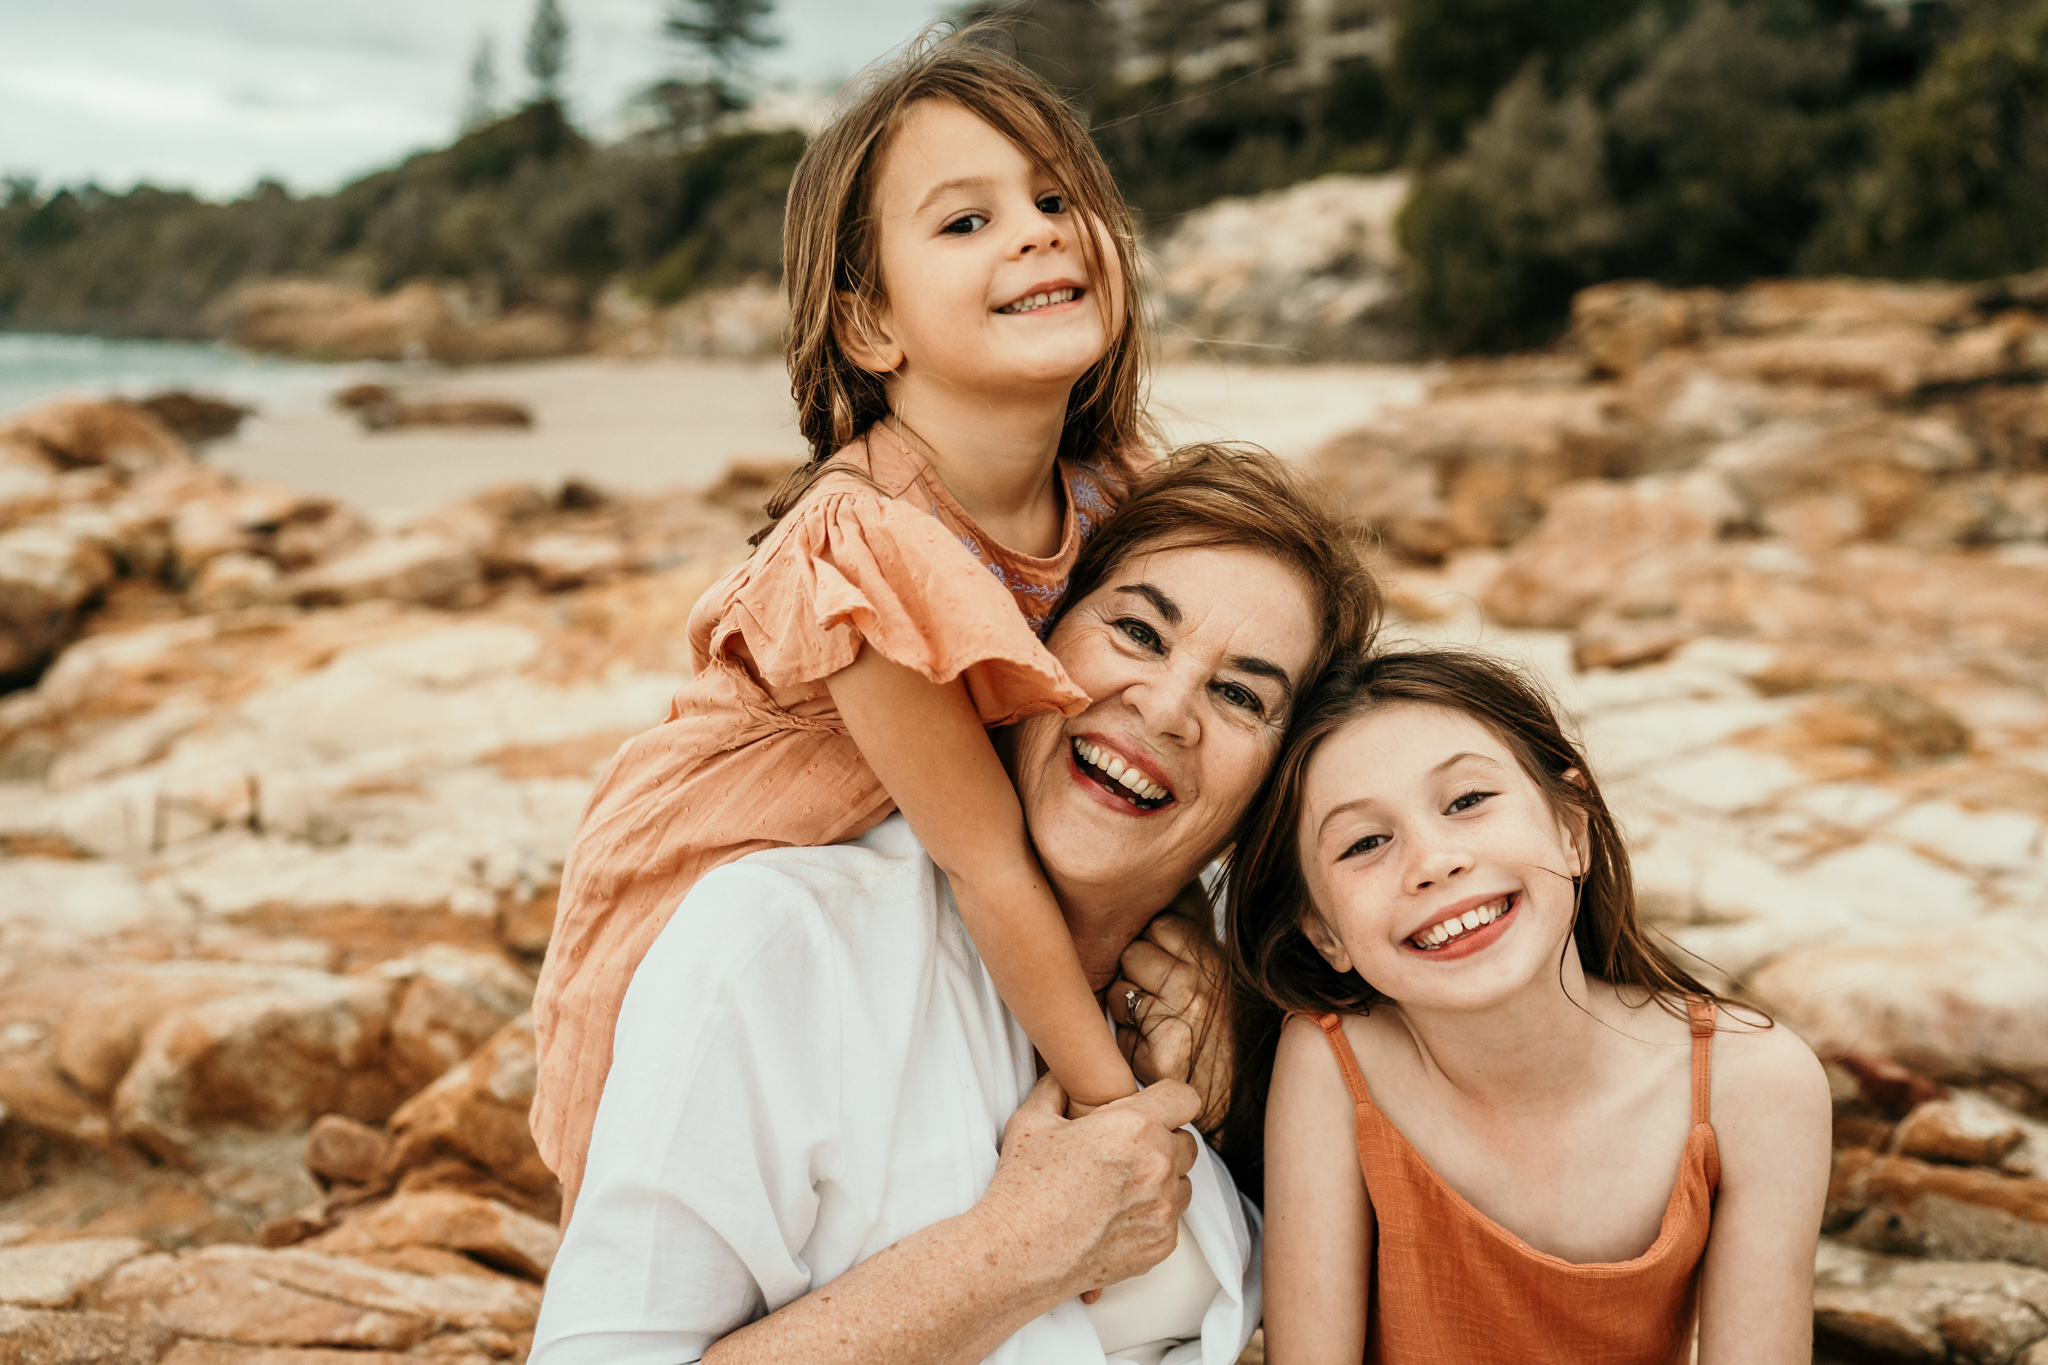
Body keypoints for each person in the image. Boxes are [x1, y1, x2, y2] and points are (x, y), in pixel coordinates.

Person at [530, 445, 1381, 1365]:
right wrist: (1010, 1253)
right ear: (1030, 647)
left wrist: (1243, 1099)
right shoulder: (781, 945)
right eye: (1137, 632)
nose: (1169, 707)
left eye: (1239, 692)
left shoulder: (1235, 999)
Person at [531, 30, 1163, 1204]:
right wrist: (1119, 1123)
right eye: (963, 222)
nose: (1035, 231)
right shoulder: (862, 543)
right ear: (871, 326)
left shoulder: (1111, 491)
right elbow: (987, 869)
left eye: (1053, 195)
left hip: (906, 877)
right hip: (726, 878)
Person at [1225, 650, 1832, 1365]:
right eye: (1365, 842)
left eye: (1467, 800)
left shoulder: (1754, 1083)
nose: (1433, 860)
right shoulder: (1334, 1061)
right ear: (1325, 933)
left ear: (1572, 827)